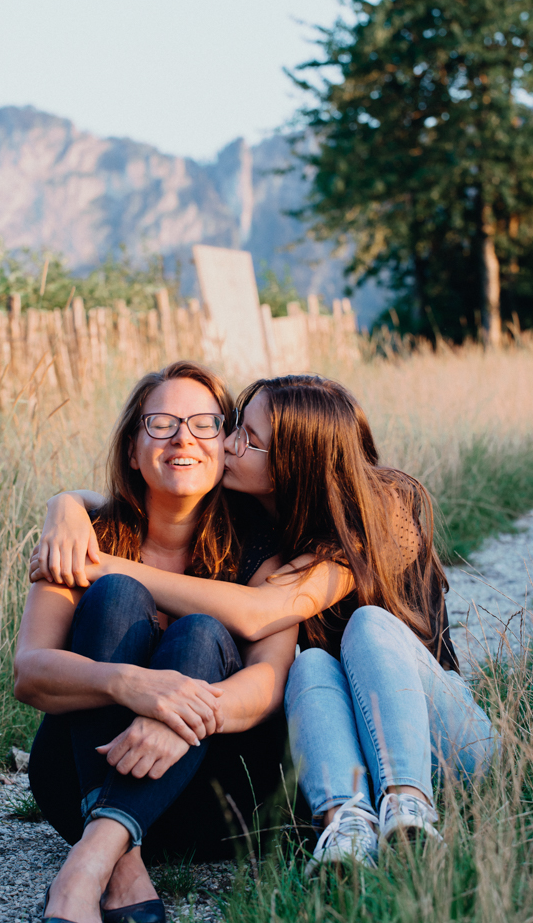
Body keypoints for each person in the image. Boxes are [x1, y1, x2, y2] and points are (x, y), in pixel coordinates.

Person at [32, 373, 496, 878]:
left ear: (287, 465)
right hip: (345, 741)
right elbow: (150, 490)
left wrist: (98, 565)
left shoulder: (385, 515)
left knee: (367, 626)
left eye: (246, 439)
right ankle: (346, 825)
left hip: (438, 738)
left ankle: (410, 807)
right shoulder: (267, 520)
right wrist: (67, 505)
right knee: (313, 665)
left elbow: (258, 612)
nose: (226, 444)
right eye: (233, 428)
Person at [14, 362, 297, 923]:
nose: (183, 438)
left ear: (225, 444)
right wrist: (131, 685)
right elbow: (30, 673)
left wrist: (177, 707)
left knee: (198, 633)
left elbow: (268, 684)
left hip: (210, 800)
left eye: (203, 423)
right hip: (76, 781)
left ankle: (89, 864)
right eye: (162, 423)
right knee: (115, 595)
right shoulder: (84, 538)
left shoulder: (264, 552)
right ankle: (122, 860)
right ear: (134, 449)